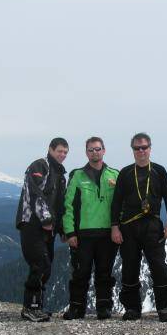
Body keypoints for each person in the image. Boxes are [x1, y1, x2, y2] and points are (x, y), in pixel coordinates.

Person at [111, 132, 167, 322]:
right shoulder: (125, 173)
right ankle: (132, 308)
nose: (141, 151)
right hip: (128, 227)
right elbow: (116, 203)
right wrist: (114, 227)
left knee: (159, 266)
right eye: (137, 148)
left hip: (152, 225)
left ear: (150, 148)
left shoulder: (159, 171)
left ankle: (164, 307)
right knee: (130, 267)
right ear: (132, 150)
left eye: (144, 147)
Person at [62, 137, 120, 320]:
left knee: (104, 272)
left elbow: (120, 205)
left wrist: (118, 228)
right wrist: (69, 232)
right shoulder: (77, 175)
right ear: (86, 152)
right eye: (91, 150)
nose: (94, 152)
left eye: (97, 149)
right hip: (83, 234)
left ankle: (104, 308)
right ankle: (76, 308)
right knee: (81, 272)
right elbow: (68, 205)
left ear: (104, 150)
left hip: (107, 233)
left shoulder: (114, 175)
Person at [15, 137, 69, 322]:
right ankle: (30, 308)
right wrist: (45, 218)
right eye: (59, 151)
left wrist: (61, 229)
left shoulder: (60, 175)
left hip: (49, 229)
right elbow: (34, 193)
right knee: (40, 263)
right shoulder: (40, 166)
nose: (62, 155)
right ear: (50, 149)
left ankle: (37, 306)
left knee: (46, 267)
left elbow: (60, 204)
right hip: (32, 223)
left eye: (65, 152)